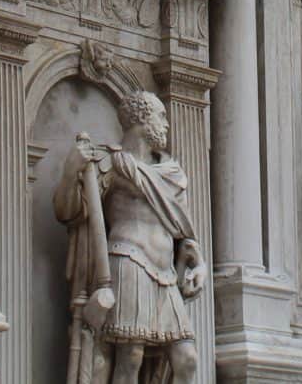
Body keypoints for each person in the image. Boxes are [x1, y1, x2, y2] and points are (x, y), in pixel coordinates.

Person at [55, 91, 205, 384]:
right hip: (128, 262)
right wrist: (71, 170)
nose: (166, 125)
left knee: (187, 359)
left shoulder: (172, 174)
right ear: (140, 118)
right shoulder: (110, 163)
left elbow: (185, 234)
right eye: (160, 116)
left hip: (166, 274)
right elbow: (68, 211)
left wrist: (199, 264)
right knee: (130, 358)